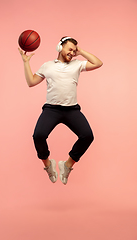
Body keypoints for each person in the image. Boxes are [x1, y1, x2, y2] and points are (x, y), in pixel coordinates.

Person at [18, 36, 103, 185]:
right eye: (70, 49)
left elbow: (98, 63)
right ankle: (48, 165)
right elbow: (31, 82)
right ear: (60, 47)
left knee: (88, 136)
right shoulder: (47, 66)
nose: (72, 52)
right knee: (38, 135)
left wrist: (81, 51)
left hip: (72, 110)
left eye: (74, 50)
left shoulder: (77, 64)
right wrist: (26, 63)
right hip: (52, 109)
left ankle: (67, 165)